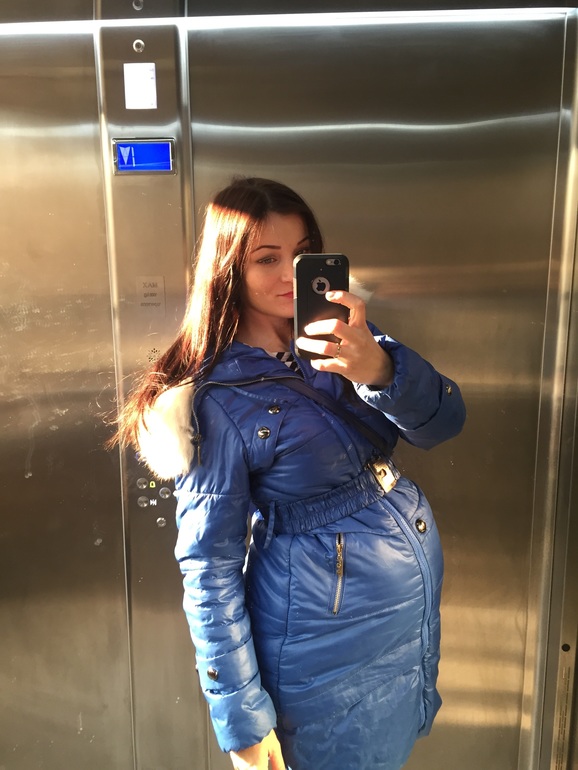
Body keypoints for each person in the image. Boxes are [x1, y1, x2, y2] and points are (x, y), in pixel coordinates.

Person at [114, 177, 466, 770]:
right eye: (266, 258)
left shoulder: (345, 341)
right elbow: (209, 569)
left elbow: (444, 424)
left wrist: (380, 370)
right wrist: (244, 726)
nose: (289, 274)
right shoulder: (216, 400)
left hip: (399, 631)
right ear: (228, 269)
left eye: (302, 255)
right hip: (320, 654)